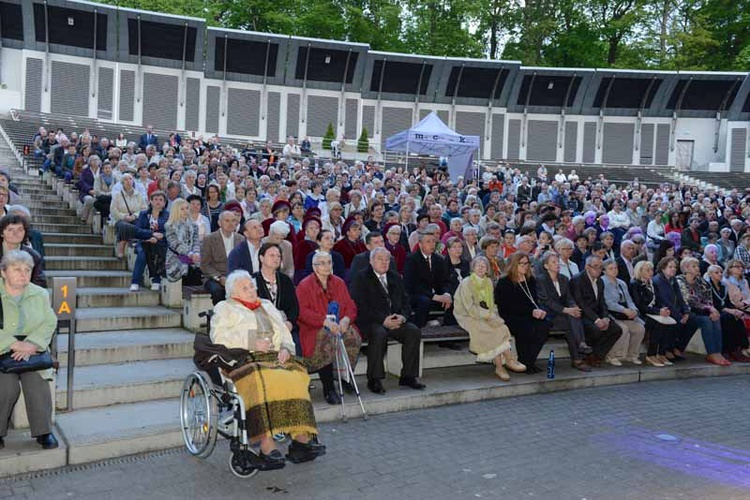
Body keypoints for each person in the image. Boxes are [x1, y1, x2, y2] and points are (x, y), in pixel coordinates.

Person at [209, 270, 324, 466]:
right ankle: (266, 443)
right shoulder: (225, 308)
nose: (251, 290)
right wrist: (251, 342)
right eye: (245, 288)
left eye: (252, 286)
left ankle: (300, 438)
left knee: (297, 374)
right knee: (266, 379)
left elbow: (284, 333)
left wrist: (286, 349)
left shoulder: (267, 305)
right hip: (243, 358)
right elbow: (218, 338)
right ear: (233, 293)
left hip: (274, 356)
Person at [0, 251, 58, 450]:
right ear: (3, 272)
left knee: (37, 380)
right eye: (16, 269)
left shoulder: (40, 293)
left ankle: (44, 432)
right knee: (6, 386)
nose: (23, 274)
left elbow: (49, 321)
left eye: (27, 270)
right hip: (2, 349)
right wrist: (11, 344)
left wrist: (32, 344)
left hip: (32, 350)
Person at [350, 247, 425, 394]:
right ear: (371, 261)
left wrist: (403, 316)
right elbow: (360, 306)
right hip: (372, 321)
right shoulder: (361, 277)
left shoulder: (394, 276)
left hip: (395, 319)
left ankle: (408, 376)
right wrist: (383, 320)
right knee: (379, 334)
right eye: (380, 259)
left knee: (413, 331)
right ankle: (374, 379)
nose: (384, 263)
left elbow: (406, 301)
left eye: (387, 260)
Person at [296, 252, 362, 405]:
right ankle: (329, 388)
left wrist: (346, 320)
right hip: (314, 327)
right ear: (314, 267)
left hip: (339, 324)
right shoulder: (304, 285)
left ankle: (345, 377)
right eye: (322, 263)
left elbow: (350, 305)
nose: (327, 266)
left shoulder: (339, 282)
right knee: (328, 339)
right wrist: (324, 322)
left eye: (329, 262)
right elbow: (302, 311)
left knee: (353, 337)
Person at [453, 256, 526, 380]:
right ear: (473, 268)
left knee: (502, 327)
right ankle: (504, 363)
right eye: (478, 265)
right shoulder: (467, 282)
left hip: (485, 314)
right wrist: (488, 316)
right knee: (492, 331)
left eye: (484, 265)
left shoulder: (488, 282)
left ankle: (504, 363)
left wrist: (494, 316)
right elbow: (469, 307)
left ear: (487, 269)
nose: (481, 267)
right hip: (467, 315)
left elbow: (492, 304)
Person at [536, 252, 592, 372]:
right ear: (546, 266)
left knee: (574, 316)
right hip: (549, 314)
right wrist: (567, 310)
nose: (557, 264)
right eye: (554, 262)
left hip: (564, 314)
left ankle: (579, 352)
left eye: (558, 262)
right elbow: (547, 301)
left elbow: (568, 298)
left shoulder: (564, 279)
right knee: (571, 320)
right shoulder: (541, 280)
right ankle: (580, 350)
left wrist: (573, 307)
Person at [495, 252, 550, 373]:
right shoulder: (505, 281)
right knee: (526, 328)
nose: (525, 266)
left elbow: (534, 300)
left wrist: (539, 310)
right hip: (511, 316)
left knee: (544, 326)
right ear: (514, 264)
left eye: (527, 263)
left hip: (529, 313)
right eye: (522, 263)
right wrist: (531, 311)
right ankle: (525, 363)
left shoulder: (530, 280)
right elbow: (506, 306)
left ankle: (528, 361)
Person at [569, 256, 623, 367]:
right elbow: (581, 304)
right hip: (582, 315)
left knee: (616, 330)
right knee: (595, 330)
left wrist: (605, 317)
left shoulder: (599, 281)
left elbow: (602, 302)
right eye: (595, 267)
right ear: (587, 267)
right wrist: (597, 320)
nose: (598, 270)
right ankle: (588, 355)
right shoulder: (577, 280)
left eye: (600, 267)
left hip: (597, 314)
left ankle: (595, 355)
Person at [675, 257, 729, 366]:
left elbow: (708, 297)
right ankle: (711, 353)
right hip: (686, 311)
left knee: (715, 318)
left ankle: (718, 352)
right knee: (706, 321)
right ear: (686, 268)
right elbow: (689, 300)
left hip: (702, 311)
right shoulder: (679, 280)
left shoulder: (701, 281)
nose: (697, 268)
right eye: (693, 266)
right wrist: (708, 308)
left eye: (697, 266)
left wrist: (712, 310)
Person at [253, 243, 301, 355]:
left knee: (295, 349)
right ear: (261, 258)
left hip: (285, 324)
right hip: (262, 326)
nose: (276, 259)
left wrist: (290, 323)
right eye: (272, 255)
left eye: (278, 256)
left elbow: (294, 307)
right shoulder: (252, 280)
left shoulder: (285, 280)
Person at [630, 261, 678, 367]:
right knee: (657, 324)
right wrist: (658, 311)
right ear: (640, 271)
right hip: (642, 313)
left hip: (654, 311)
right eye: (647, 270)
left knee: (671, 322)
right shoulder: (635, 284)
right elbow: (640, 306)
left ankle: (661, 353)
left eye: (651, 270)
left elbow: (658, 299)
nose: (650, 272)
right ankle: (651, 354)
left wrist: (663, 309)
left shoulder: (652, 283)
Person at [601, 259, 645, 365]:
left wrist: (634, 310)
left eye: (615, 268)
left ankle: (632, 355)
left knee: (639, 328)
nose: (614, 270)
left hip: (625, 315)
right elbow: (608, 302)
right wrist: (624, 310)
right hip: (611, 314)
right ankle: (611, 356)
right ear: (604, 271)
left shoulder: (621, 283)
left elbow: (629, 300)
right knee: (623, 329)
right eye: (611, 268)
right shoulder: (602, 282)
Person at [404, 232, 451, 327]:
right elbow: (413, 285)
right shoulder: (412, 259)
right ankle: (418, 329)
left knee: (452, 299)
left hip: (435, 295)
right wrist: (434, 296)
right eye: (428, 242)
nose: (432, 244)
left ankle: (447, 330)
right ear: (420, 244)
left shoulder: (439, 259)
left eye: (433, 241)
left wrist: (446, 294)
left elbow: (445, 281)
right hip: (416, 295)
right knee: (424, 301)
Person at [704, 264, 750, 362]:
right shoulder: (707, 286)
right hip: (713, 310)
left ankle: (740, 348)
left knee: (738, 319)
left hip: (725, 310)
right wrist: (729, 310)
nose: (720, 274)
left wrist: (735, 310)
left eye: (721, 272)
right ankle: (727, 350)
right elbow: (711, 303)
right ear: (710, 274)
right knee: (727, 318)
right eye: (716, 273)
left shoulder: (723, 286)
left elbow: (728, 303)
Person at [200, 211, 244, 304]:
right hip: (214, 277)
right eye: (227, 221)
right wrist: (219, 278)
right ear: (219, 223)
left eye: (233, 221)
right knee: (218, 291)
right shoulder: (209, 239)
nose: (231, 223)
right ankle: (220, 315)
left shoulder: (241, 239)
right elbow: (205, 265)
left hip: (235, 277)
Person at [130, 191, 169, 292]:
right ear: (150, 201)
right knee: (142, 254)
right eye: (155, 199)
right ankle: (135, 282)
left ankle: (156, 280)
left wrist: (159, 237)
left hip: (160, 243)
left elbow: (170, 231)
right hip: (144, 241)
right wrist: (151, 234)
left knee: (156, 252)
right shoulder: (143, 214)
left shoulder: (167, 215)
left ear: (164, 203)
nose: (158, 202)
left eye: (161, 200)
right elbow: (137, 231)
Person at [0, 215, 46, 288]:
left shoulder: (33, 256)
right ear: (2, 233)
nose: (15, 233)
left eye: (20, 230)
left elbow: (39, 284)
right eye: (10, 230)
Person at [164, 199, 201, 285]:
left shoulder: (194, 225)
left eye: (187, 208)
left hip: (192, 257)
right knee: (186, 270)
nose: (185, 211)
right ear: (176, 211)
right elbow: (176, 244)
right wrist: (190, 254)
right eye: (182, 209)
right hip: (176, 258)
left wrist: (196, 253)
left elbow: (196, 242)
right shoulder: (169, 226)